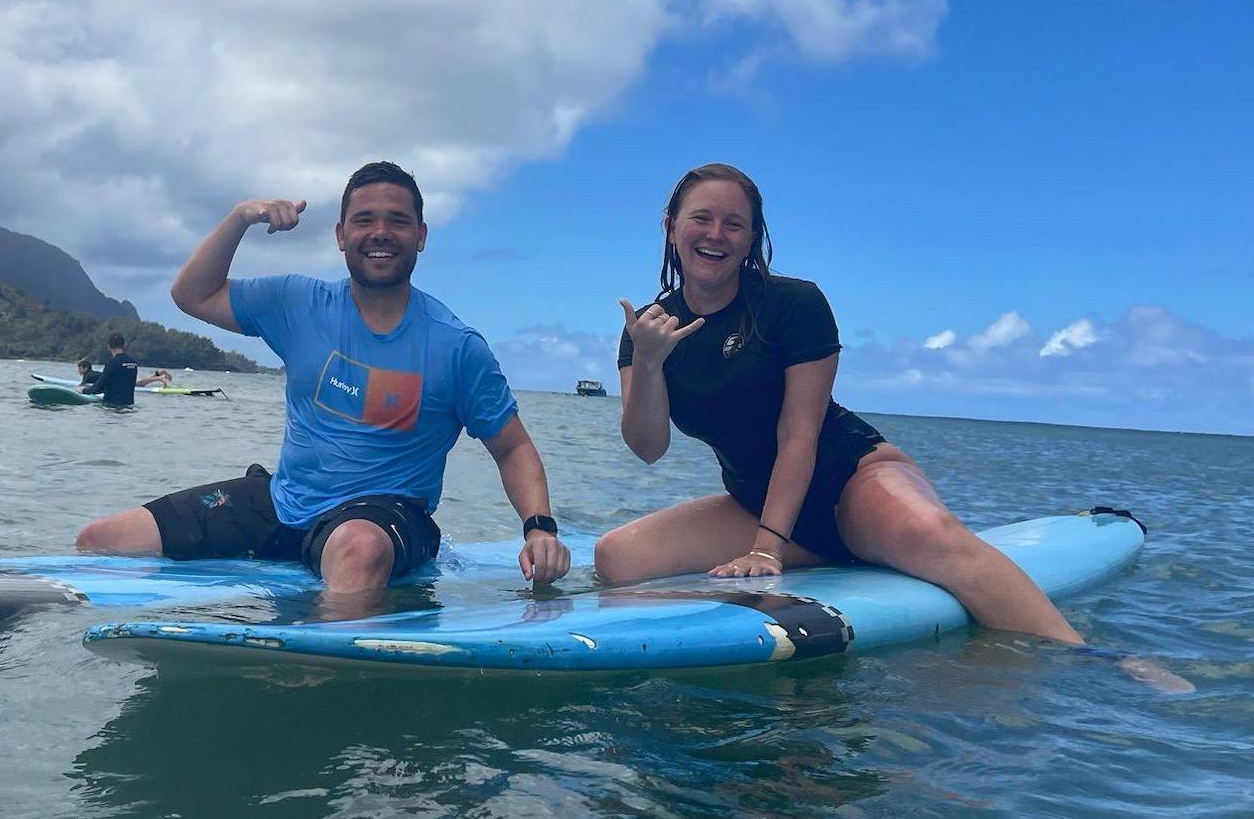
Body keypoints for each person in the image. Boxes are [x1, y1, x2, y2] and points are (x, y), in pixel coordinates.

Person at [597, 163, 1192, 688]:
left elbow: (799, 437)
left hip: (849, 478)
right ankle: (828, 555)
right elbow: (648, 447)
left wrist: (765, 547)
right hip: (757, 500)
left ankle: (1101, 661)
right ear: (671, 226)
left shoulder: (792, 304)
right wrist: (648, 364)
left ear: (752, 238)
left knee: (934, 537)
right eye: (702, 218)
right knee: (617, 558)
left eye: (734, 223)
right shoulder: (648, 330)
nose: (716, 234)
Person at [76, 161, 572, 595]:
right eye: (364, 220)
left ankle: (319, 665)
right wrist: (240, 218)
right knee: (103, 540)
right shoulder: (298, 303)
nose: (380, 232)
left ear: (421, 236)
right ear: (340, 235)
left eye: (398, 221)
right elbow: (192, 295)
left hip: (385, 518)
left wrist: (539, 528)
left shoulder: (457, 347)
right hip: (284, 502)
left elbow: (512, 447)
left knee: (358, 549)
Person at [80, 334, 139, 405]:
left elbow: (98, 387)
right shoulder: (133, 363)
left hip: (112, 405)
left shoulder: (112, 363)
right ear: (124, 345)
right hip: (129, 404)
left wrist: (84, 390)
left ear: (108, 346)